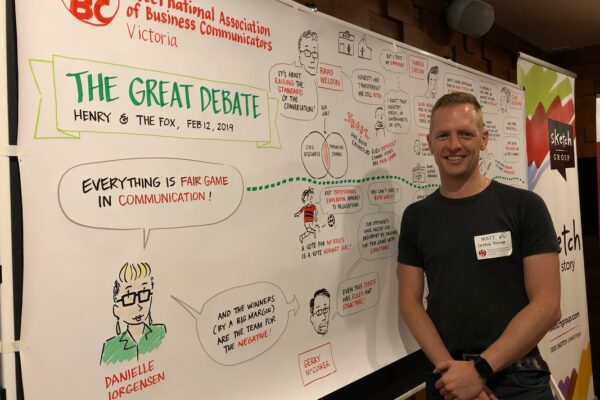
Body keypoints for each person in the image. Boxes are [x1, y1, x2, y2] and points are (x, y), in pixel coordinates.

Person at [397, 92, 561, 400]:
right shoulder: (416, 217)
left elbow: (548, 306)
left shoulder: (524, 206)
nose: (454, 144)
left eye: (465, 134)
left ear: (484, 139)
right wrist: (454, 376)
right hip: (448, 380)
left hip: (518, 378)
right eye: (443, 135)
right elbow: (409, 302)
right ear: (430, 142)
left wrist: (480, 371)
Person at [101, 262, 167, 364]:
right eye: (128, 297)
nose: (138, 305)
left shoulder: (161, 333)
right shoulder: (110, 348)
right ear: (116, 309)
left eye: (144, 293)